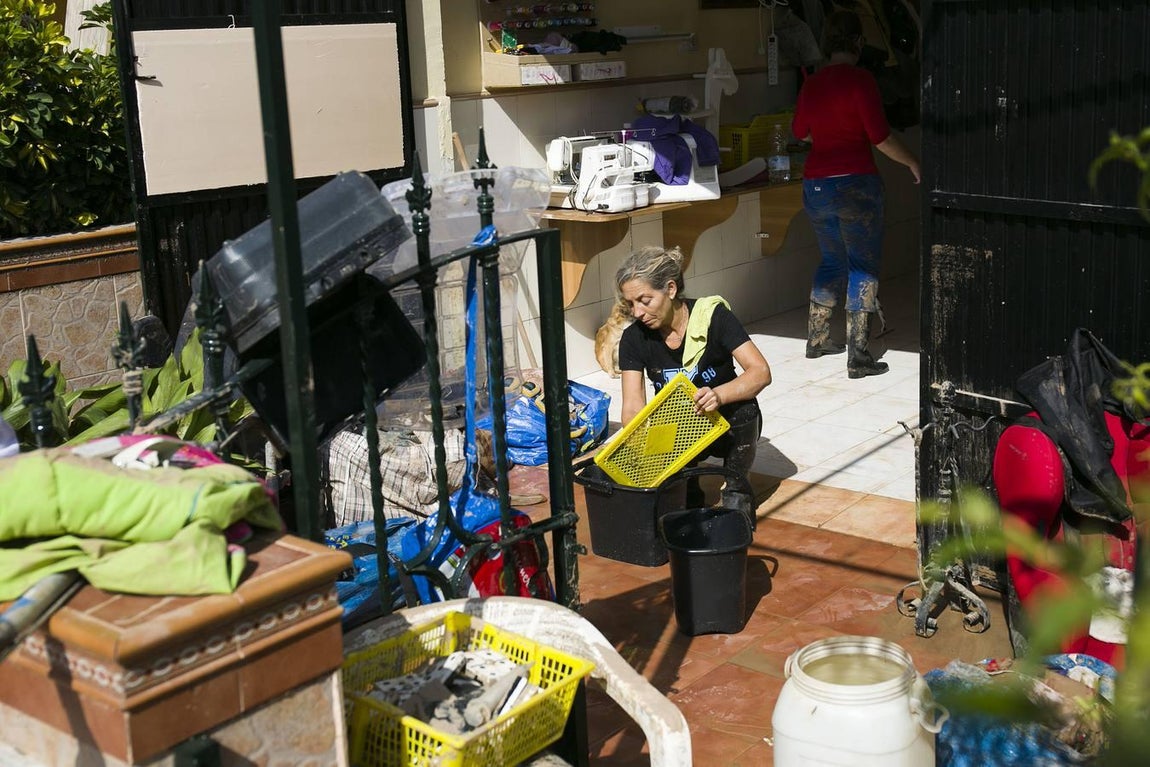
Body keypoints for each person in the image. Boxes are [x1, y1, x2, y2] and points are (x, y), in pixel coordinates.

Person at [792, 8, 921, 378]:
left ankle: (817, 339)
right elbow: (880, 137)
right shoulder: (861, 80)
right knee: (862, 265)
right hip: (855, 186)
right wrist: (913, 162)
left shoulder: (812, 83)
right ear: (859, 43)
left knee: (832, 260)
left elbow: (800, 132)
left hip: (815, 186)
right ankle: (858, 354)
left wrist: (829, 136)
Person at [615, 245, 772, 523]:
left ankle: (738, 491)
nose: (637, 311)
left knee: (744, 410)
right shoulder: (633, 339)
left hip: (725, 424)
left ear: (671, 289)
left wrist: (719, 395)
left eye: (645, 300)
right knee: (680, 508)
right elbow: (632, 409)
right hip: (678, 429)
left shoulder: (713, 317)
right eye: (630, 304)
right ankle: (688, 489)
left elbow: (760, 371)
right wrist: (642, 454)